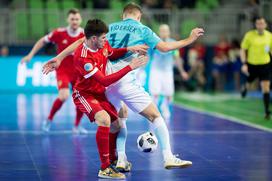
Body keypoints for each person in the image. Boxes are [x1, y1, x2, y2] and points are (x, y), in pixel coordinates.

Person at [43, 2, 204, 172]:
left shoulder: (109, 28)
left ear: (123, 15)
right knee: (156, 116)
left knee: (121, 118)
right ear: (139, 16)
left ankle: (121, 159)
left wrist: (59, 57)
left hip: (105, 81)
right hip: (123, 80)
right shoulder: (143, 29)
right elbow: (164, 47)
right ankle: (168, 157)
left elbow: (80, 42)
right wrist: (190, 39)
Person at [44, 19, 148, 179]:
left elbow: (111, 52)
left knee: (116, 124)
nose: (106, 40)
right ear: (94, 39)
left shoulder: (102, 44)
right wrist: (130, 67)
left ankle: (113, 160)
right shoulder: (83, 57)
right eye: (104, 37)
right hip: (84, 94)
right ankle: (105, 168)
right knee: (104, 119)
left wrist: (129, 48)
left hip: (100, 93)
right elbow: (105, 80)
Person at [21, 9, 87, 134]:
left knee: (81, 98)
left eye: (77, 19)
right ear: (68, 20)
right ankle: (49, 119)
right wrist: (30, 55)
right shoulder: (59, 33)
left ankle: (77, 125)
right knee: (64, 95)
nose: (74, 21)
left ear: (80, 20)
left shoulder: (84, 35)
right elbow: (42, 41)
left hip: (78, 72)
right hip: (63, 70)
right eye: (72, 19)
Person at [148, 24, 189, 121]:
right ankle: (154, 112)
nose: (164, 32)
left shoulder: (173, 43)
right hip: (155, 70)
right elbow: (148, 56)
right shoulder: (154, 42)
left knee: (169, 94)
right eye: (162, 30)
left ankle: (165, 108)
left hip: (167, 71)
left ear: (169, 32)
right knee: (155, 93)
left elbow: (177, 58)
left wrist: (182, 71)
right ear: (159, 32)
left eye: (166, 30)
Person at [240, 17, 272, 120]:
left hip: (265, 65)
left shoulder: (270, 36)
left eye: (262, 23)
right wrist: (244, 63)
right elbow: (243, 50)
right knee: (250, 83)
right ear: (255, 25)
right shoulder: (249, 35)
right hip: (252, 64)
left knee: (265, 88)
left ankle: (267, 112)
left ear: (265, 25)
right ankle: (245, 88)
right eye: (258, 24)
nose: (260, 26)